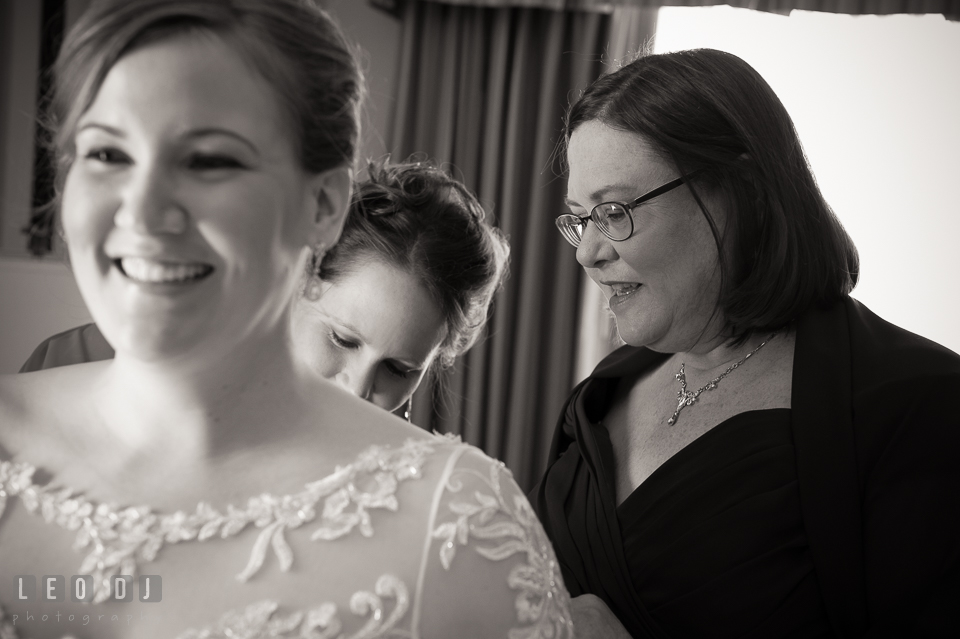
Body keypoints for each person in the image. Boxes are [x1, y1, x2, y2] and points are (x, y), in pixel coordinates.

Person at [0, 2, 571, 638]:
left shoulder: (463, 524)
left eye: (211, 160)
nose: (142, 212)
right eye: (106, 153)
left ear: (322, 204)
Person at [532, 48, 960, 638]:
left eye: (612, 210)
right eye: (580, 218)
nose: (587, 251)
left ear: (739, 191)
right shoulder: (599, 397)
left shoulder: (919, 402)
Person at [19, 159, 511, 417]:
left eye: (400, 370)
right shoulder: (81, 361)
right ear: (299, 280)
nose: (359, 390)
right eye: (342, 339)